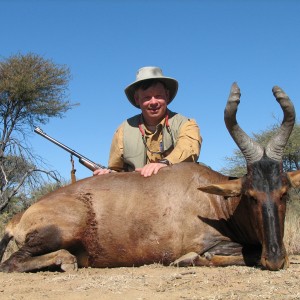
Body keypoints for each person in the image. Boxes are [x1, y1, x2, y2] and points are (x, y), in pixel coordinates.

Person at [94, 66, 202, 177]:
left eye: (158, 96)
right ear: (137, 99)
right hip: (136, 190)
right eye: (147, 97)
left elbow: (189, 149)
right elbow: (116, 169)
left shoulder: (187, 124)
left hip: (178, 187)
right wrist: (109, 174)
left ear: (167, 96)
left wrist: (163, 163)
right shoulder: (123, 130)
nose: (154, 102)